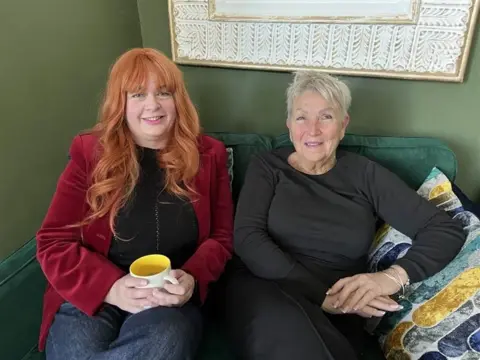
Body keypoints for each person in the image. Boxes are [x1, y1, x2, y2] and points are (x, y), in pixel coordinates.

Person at [223, 71, 465, 360]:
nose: (312, 130)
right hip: (265, 286)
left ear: (343, 125)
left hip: (344, 305)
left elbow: (443, 229)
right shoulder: (268, 167)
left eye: (325, 117)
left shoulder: (365, 174)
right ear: (289, 125)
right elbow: (248, 239)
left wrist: (390, 278)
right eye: (301, 117)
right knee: (288, 333)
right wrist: (323, 295)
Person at [36, 48, 233, 360]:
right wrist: (111, 288)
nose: (152, 105)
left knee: (164, 342)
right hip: (95, 293)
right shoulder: (89, 153)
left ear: (178, 100)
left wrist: (193, 277)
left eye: (164, 93)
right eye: (138, 94)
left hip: (167, 300)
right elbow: (53, 241)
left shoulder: (210, 155)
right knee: (74, 351)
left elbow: (221, 238)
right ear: (121, 103)